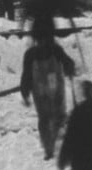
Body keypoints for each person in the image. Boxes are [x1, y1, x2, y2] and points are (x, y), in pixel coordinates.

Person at [21, 18, 75, 160]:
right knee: (47, 119)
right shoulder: (36, 54)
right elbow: (26, 75)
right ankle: (49, 148)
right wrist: (25, 92)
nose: (43, 42)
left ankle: (52, 145)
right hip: (43, 92)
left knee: (54, 117)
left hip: (51, 90)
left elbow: (67, 61)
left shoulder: (51, 51)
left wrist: (69, 67)